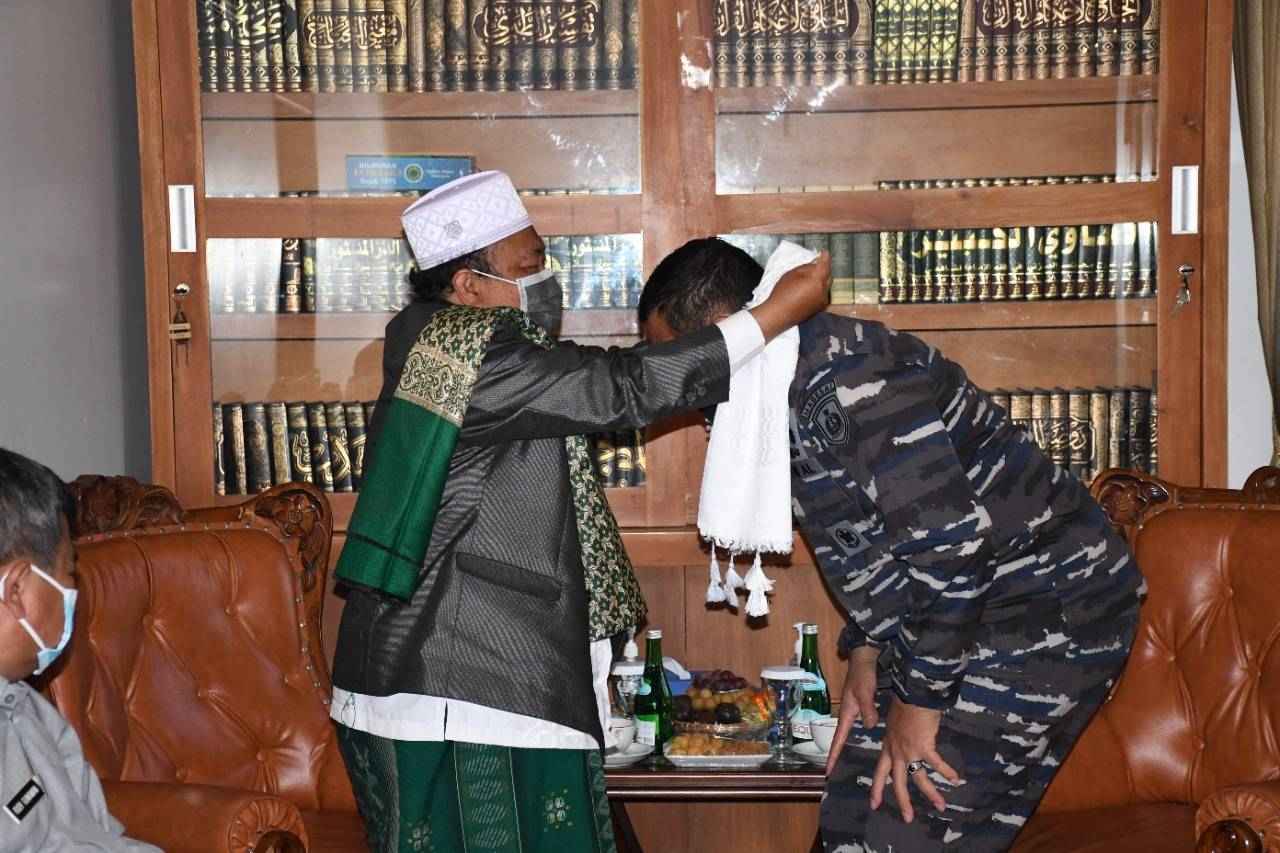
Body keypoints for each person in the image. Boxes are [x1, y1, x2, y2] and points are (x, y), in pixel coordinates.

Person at [329, 172, 830, 853]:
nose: (547, 281)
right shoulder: (471, 352)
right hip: (465, 681)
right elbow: (621, 387)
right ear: (469, 286)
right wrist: (771, 316)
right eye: (528, 267)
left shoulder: (447, 343)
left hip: (458, 676)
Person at [638, 237, 1144, 852]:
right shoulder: (774, 386)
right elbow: (867, 540)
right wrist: (866, 650)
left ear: (725, 333)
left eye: (672, 357)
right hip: (946, 618)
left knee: (905, 829)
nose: (670, 383)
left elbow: (952, 552)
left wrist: (920, 704)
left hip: (1042, 610)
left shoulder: (854, 379)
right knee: (848, 824)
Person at [0, 448, 161, 853]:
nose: (74, 589)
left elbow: (103, 840)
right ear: (16, 590)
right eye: (70, 572)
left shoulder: (29, 713)